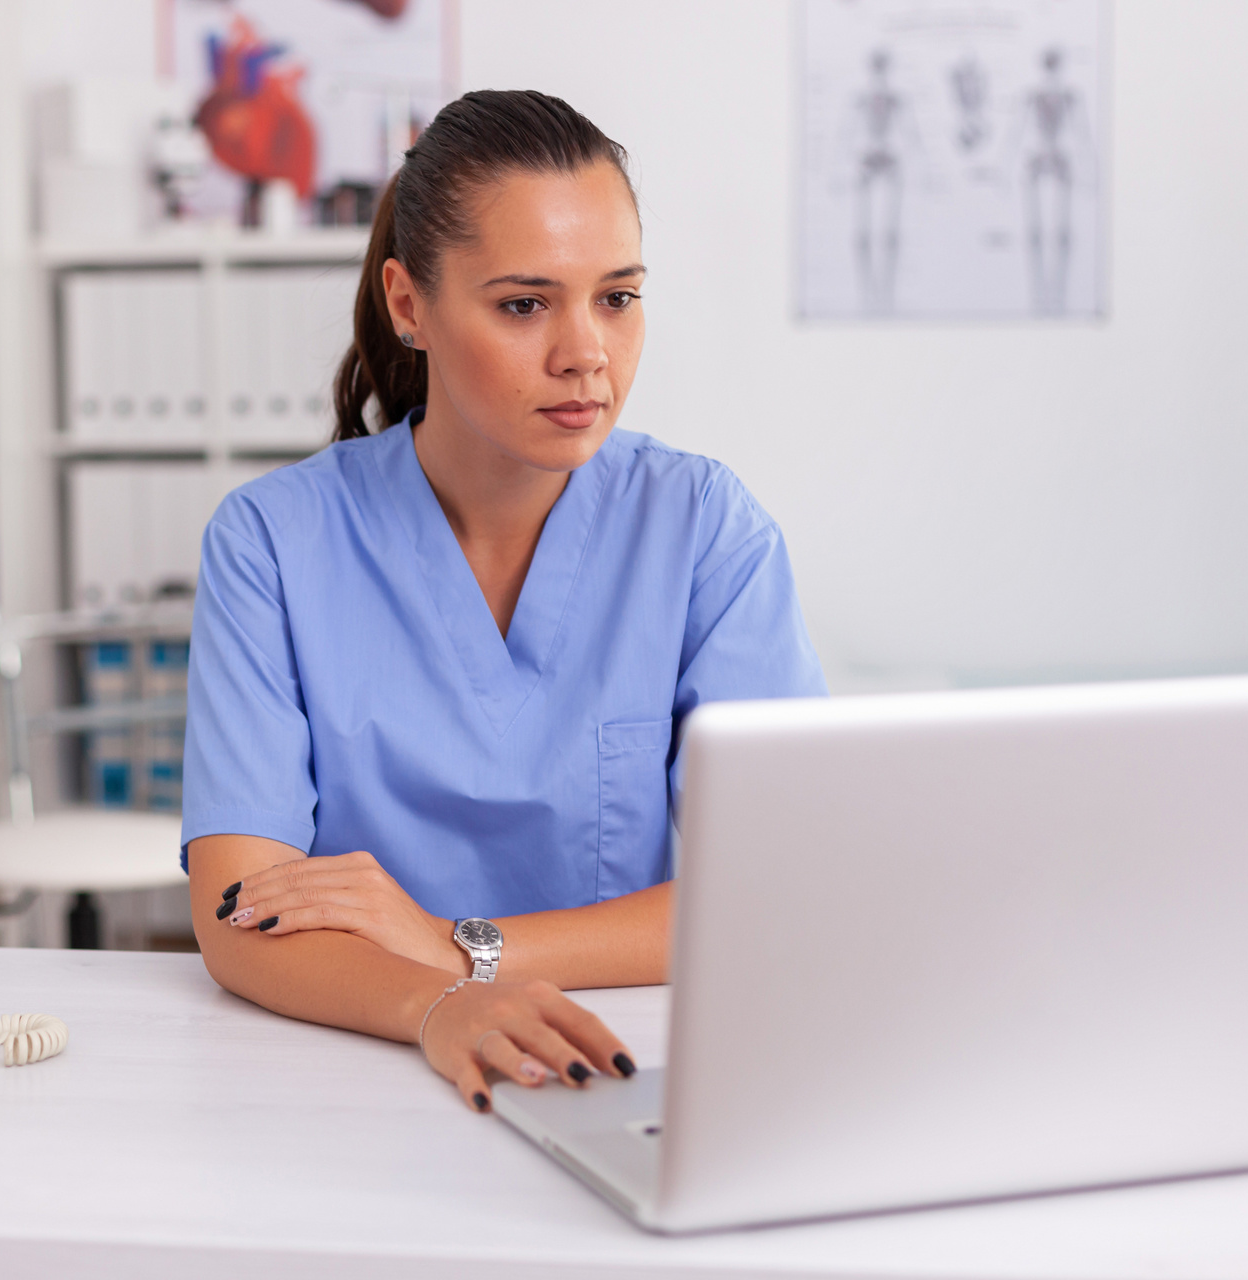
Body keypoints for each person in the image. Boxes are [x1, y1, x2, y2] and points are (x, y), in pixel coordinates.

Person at [184, 89, 826, 1112]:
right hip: (349, 1067)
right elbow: (234, 912)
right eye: (525, 304)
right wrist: (435, 1006)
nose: (586, 353)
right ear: (409, 305)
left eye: (617, 296)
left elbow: (778, 889)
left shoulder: (703, 527)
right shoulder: (274, 540)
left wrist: (461, 948)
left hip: (638, 1064)